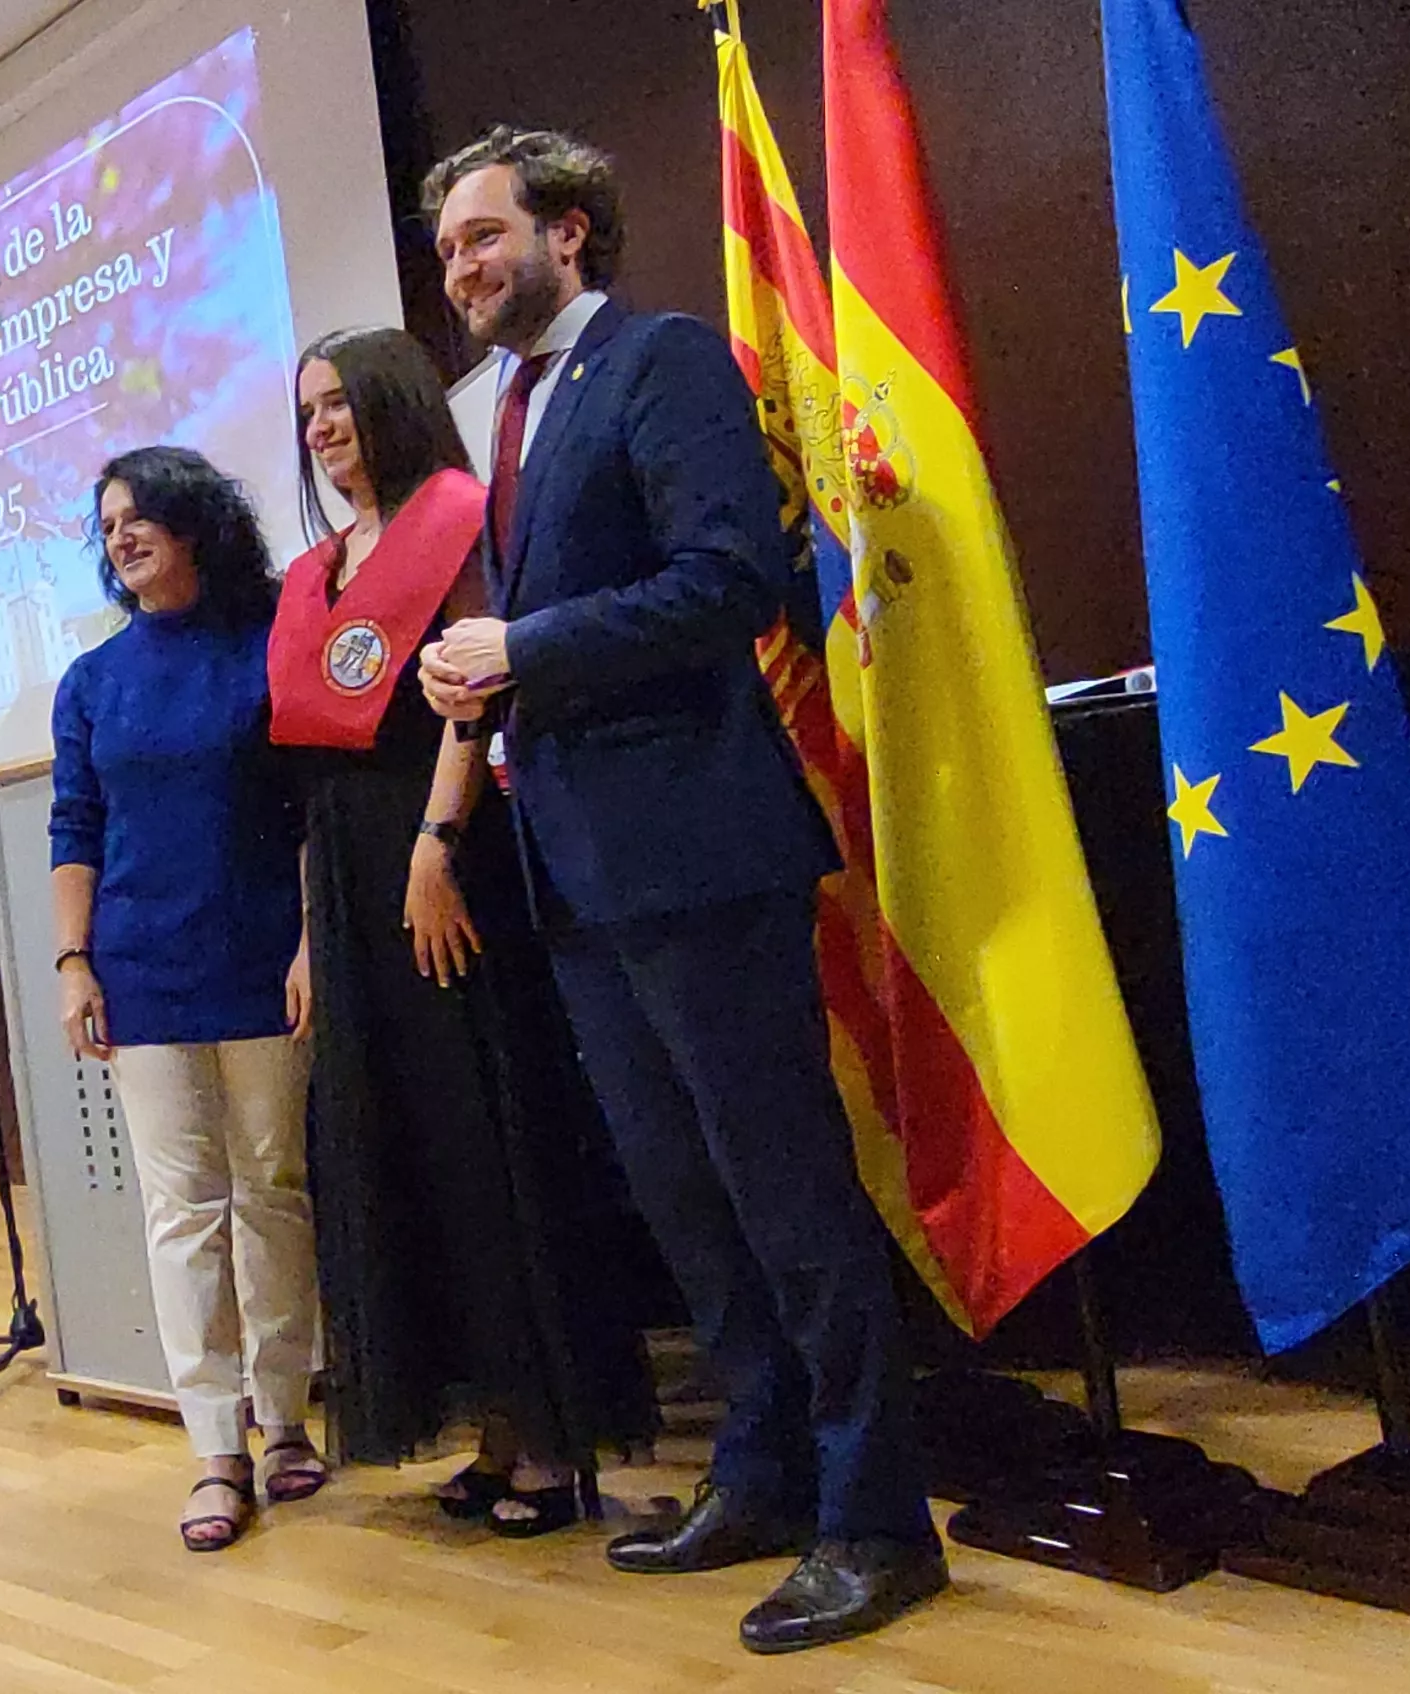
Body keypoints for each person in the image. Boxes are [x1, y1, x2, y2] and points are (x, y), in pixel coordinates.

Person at [415, 126, 942, 1652]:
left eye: (483, 235)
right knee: (686, 1201)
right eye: (448, 247)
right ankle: (762, 1473)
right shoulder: (508, 412)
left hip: (700, 852)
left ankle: (875, 1520)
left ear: (571, 230)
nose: (461, 268)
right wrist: (488, 665)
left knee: (784, 1191)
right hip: (576, 870)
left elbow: (732, 580)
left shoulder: (663, 362)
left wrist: (525, 645)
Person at [268, 327, 660, 1537]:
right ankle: (488, 1430)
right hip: (347, 881)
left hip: (447, 856)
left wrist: (438, 846)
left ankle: (545, 1439)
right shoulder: (315, 570)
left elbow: (473, 695)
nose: (323, 427)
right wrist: (304, 938)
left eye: (339, 404)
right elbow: (304, 767)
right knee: (404, 1150)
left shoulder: (460, 516)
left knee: (483, 1134)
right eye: (308, 414)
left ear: (389, 401)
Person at [50, 445, 318, 1554]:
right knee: (181, 1209)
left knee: (273, 1187)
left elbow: (311, 804)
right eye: (106, 525)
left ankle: (286, 1421)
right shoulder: (91, 680)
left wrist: (313, 938)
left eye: (139, 515)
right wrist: (73, 961)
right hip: (140, 965)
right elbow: (75, 827)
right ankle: (214, 1443)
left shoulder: (270, 643)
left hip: (261, 954)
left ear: (194, 522)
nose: (120, 536)